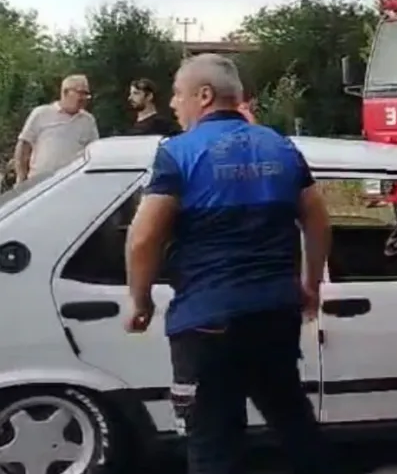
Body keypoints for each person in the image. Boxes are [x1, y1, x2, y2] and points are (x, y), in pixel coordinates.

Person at [123, 53, 335, 474]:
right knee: (294, 424)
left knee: (213, 444)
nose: (172, 105)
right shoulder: (282, 146)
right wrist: (309, 284)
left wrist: (140, 300)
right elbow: (317, 218)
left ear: (204, 96)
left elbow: (144, 236)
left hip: (207, 321)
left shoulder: (178, 153)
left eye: (178, 95)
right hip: (275, 312)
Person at [14, 74, 99, 183]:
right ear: (65, 92)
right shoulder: (41, 113)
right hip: (39, 183)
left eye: (86, 94)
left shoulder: (88, 121)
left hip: (73, 182)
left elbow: (94, 152)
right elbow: (23, 146)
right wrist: (21, 177)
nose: (84, 98)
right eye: (80, 93)